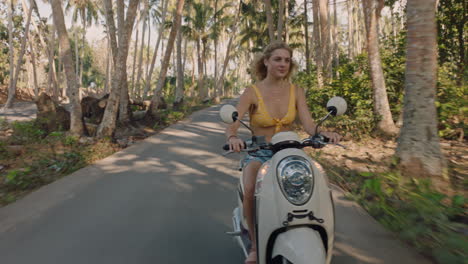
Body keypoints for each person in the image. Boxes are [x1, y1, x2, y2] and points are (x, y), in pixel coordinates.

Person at [225, 41, 341, 264]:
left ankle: (316, 231)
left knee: (318, 182)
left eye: (287, 60)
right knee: (250, 186)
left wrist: (325, 133)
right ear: (266, 62)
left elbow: (309, 124)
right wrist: (233, 138)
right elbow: (232, 124)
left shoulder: (296, 91)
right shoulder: (252, 92)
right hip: (260, 152)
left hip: (290, 152)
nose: (283, 64)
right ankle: (255, 244)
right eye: (278, 59)